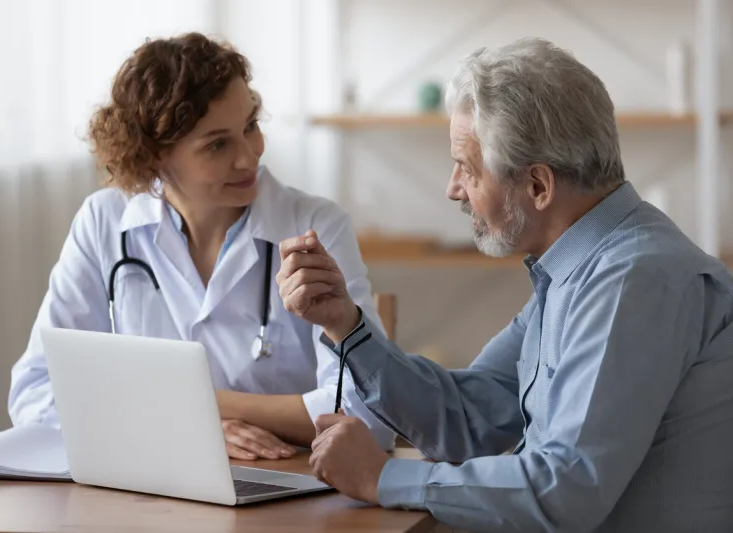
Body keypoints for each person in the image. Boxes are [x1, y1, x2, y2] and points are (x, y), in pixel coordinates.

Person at [276, 37, 733, 532]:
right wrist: (345, 324)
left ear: (538, 185)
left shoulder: (632, 279)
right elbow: (473, 415)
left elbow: (566, 488)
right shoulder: (576, 270)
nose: (453, 189)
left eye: (467, 169)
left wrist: (383, 478)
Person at [7, 32, 395, 460]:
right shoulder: (103, 223)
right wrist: (178, 428)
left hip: (288, 485)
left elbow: (370, 418)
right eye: (217, 144)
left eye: (250, 126)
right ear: (153, 155)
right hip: (148, 483)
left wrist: (204, 406)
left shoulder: (315, 226)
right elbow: (36, 393)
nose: (249, 156)